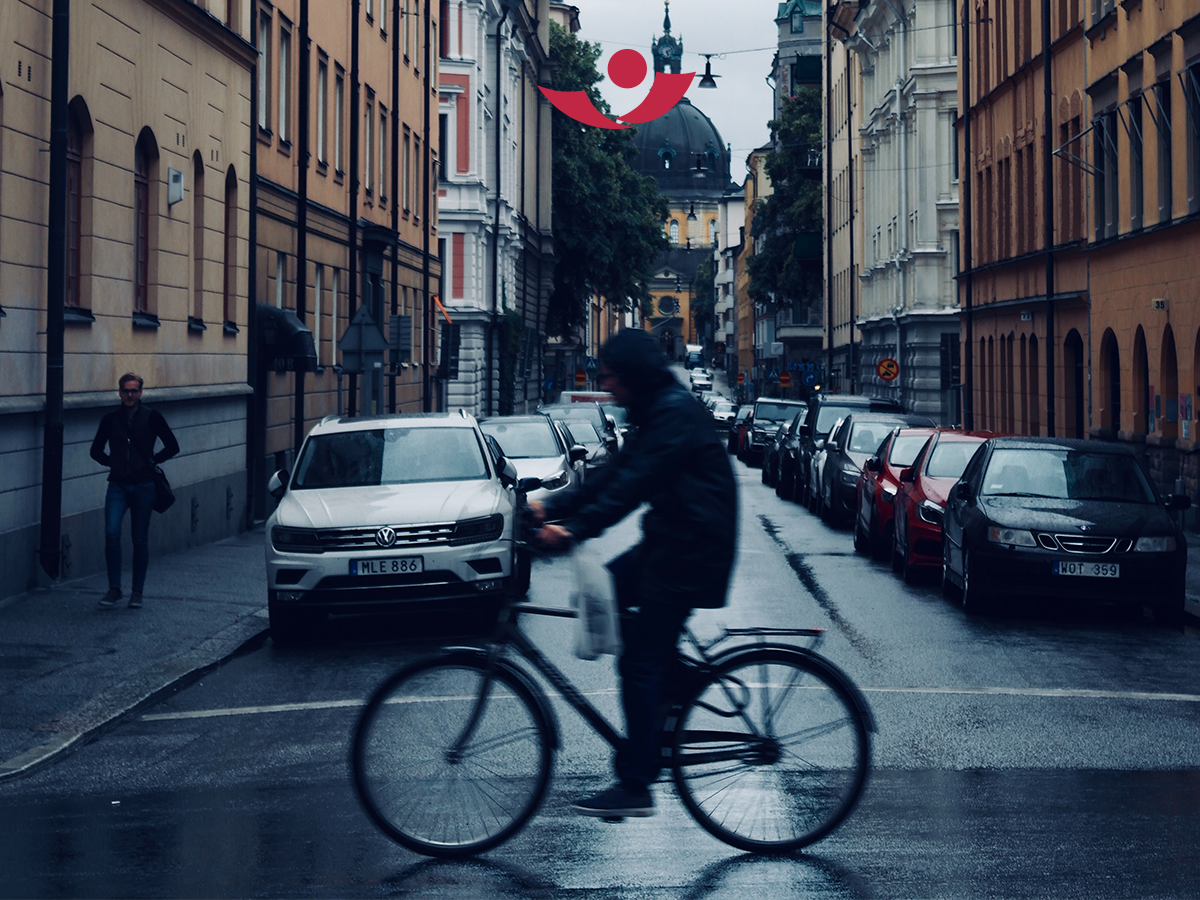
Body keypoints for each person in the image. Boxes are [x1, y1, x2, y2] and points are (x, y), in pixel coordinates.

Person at [533, 330, 737, 818]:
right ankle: (677, 678)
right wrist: (549, 506)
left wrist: (574, 530)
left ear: (633, 377)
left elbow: (631, 486)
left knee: (638, 662)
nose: (608, 390)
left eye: (610, 379)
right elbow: (612, 474)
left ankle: (637, 783)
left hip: (691, 552)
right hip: (673, 542)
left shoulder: (672, 413)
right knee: (608, 595)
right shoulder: (656, 409)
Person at [89, 373, 179, 609]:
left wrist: (153, 460)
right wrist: (113, 463)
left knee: (139, 539)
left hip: (144, 485)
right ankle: (114, 589)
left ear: (141, 393)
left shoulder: (152, 417)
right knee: (111, 533)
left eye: (134, 391)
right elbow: (95, 450)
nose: (130, 395)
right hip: (117, 484)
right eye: (126, 391)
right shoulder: (110, 420)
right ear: (119, 392)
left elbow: (173, 445)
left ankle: (137, 592)